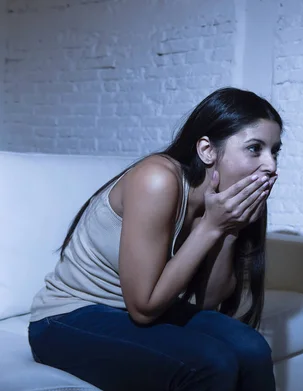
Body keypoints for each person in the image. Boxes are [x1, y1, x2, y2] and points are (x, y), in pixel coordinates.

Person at [27, 87, 283, 391]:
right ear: (207, 151)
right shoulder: (158, 179)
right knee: (212, 361)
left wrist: (230, 229)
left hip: (133, 314)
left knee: (251, 348)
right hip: (66, 319)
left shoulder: (222, 202)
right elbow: (144, 308)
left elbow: (209, 302)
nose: (271, 166)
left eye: (274, 151)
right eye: (255, 148)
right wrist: (210, 227)